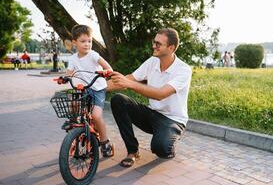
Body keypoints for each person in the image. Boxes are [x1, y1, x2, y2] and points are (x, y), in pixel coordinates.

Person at [108, 28, 192, 167]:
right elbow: (130, 78)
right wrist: (97, 87)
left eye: (158, 44)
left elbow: (160, 94)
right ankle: (132, 151)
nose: (153, 46)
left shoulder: (183, 70)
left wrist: (130, 84)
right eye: (154, 42)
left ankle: (167, 143)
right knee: (118, 100)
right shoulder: (152, 61)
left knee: (160, 148)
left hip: (173, 120)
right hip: (152, 114)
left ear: (171, 48)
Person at [66, 24, 114, 157]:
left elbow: (108, 67)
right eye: (83, 41)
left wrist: (106, 71)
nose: (87, 44)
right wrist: (65, 78)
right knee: (73, 100)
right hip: (84, 89)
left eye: (89, 41)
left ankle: (105, 142)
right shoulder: (73, 59)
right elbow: (69, 72)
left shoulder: (93, 55)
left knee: (96, 116)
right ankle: (75, 121)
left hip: (97, 88)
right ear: (74, 42)